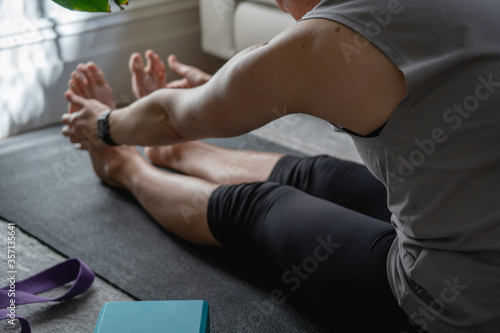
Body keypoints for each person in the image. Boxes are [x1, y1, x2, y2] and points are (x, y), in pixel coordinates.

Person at [60, 0, 500, 332]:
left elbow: (173, 116)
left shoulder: (325, 40)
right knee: (318, 173)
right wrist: (226, 91)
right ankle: (178, 154)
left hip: (461, 308)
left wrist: (103, 125)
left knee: (256, 206)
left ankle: (125, 169)